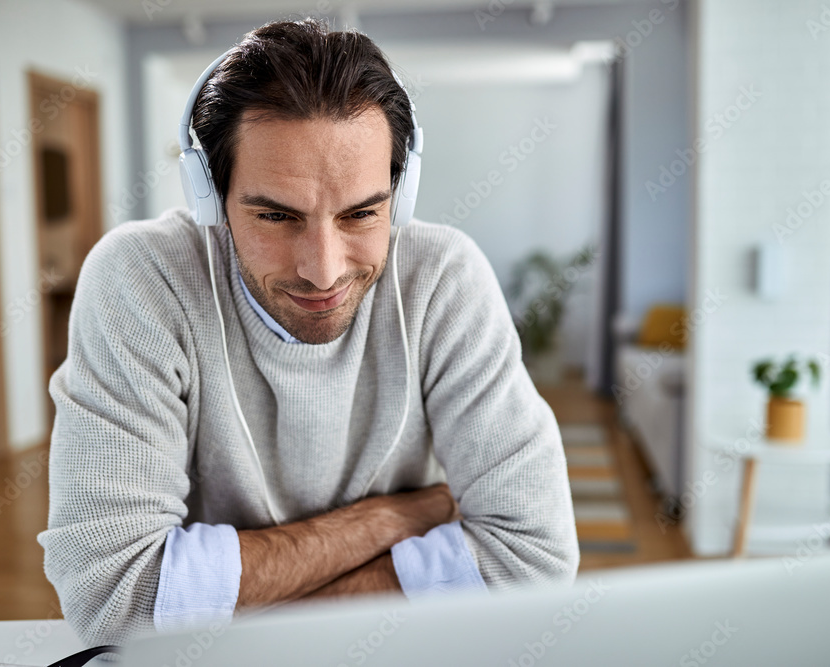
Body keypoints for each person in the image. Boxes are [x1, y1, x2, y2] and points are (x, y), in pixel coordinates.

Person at [38, 18, 578, 647]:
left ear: (400, 200)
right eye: (275, 215)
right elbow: (115, 601)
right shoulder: (142, 278)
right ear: (211, 198)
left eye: (362, 213)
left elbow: (533, 566)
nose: (323, 269)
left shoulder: (443, 281)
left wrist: (221, 605)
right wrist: (400, 515)